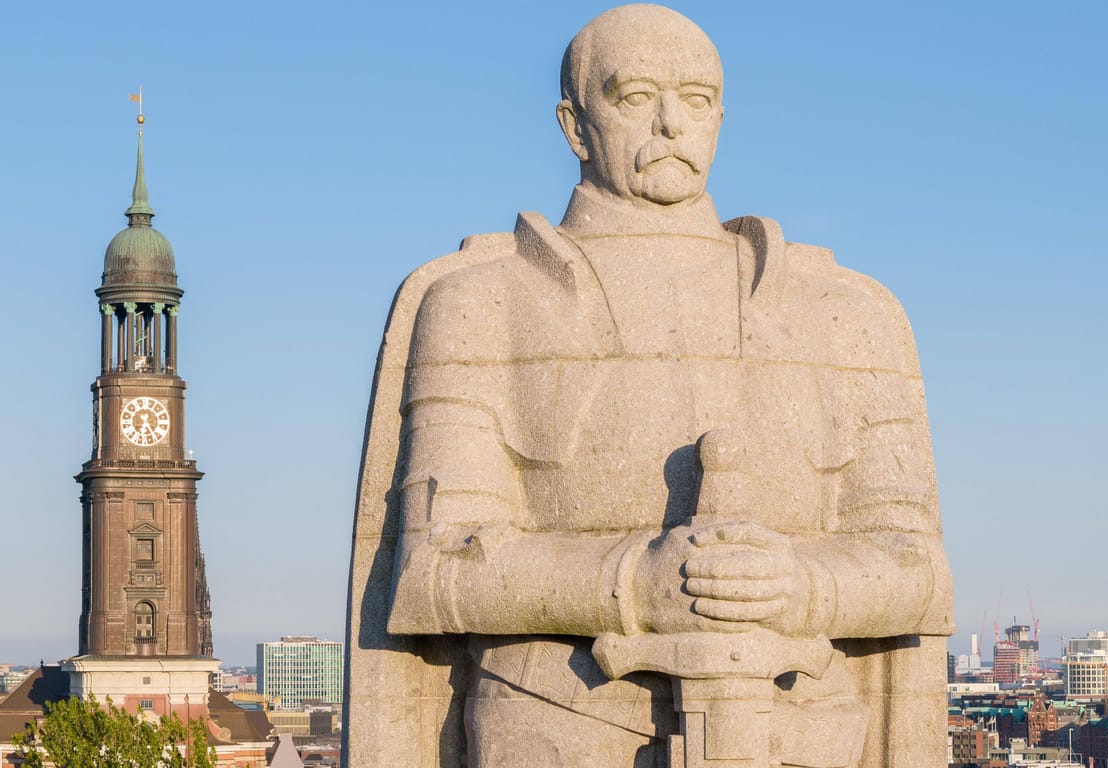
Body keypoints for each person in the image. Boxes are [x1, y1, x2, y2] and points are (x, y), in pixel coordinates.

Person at [345, 6, 952, 767]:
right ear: (575, 125)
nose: (670, 124)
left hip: (806, 736)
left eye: (695, 100)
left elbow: (917, 570)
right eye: (635, 97)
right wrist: (637, 580)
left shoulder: (845, 312)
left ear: (721, 118)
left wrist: (798, 585)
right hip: (559, 731)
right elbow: (434, 572)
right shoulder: (479, 302)